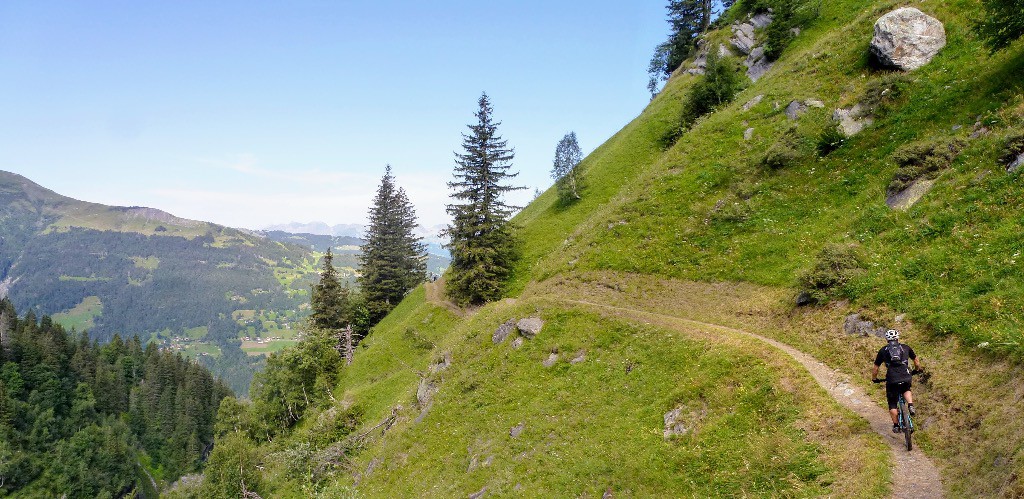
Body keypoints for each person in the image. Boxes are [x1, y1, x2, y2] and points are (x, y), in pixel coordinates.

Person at [872, 329, 922, 433]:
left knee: (892, 403)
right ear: (897, 338)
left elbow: (875, 368)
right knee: (906, 389)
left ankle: (895, 425)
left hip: (892, 379)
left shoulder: (883, 350)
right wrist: (917, 370)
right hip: (906, 376)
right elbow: (916, 361)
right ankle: (910, 404)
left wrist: (874, 379)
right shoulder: (906, 347)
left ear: (887, 339)